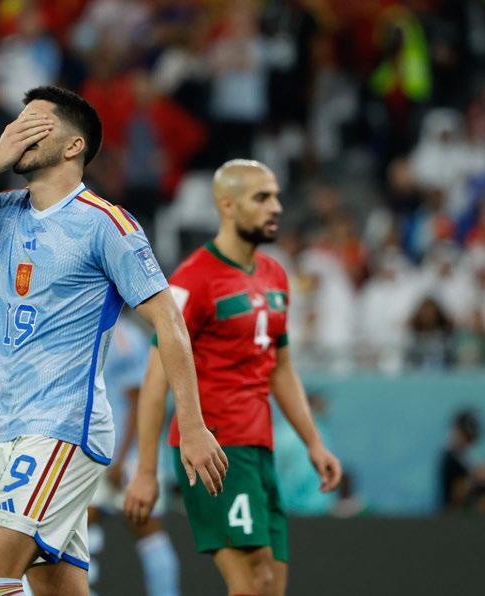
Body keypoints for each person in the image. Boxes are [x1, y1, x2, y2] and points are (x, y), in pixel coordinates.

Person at [0, 85, 227, 596]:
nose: (20, 132)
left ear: (74, 146)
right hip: (13, 428)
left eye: (36, 124)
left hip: (62, 427)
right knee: (58, 590)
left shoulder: (105, 224)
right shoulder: (8, 212)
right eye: (18, 123)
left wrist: (191, 424)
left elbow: (170, 321)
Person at [125, 159, 342, 596]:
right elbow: (155, 380)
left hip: (260, 449)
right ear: (227, 205)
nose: (276, 207)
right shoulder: (192, 280)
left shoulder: (275, 275)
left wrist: (313, 441)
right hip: (217, 451)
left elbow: (281, 368)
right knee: (252, 580)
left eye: (276, 196)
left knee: (271, 585)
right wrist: (146, 471)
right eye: (262, 198)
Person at [88, 314, 180, 596]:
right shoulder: (95, 326)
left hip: (121, 456)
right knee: (79, 526)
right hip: (101, 451)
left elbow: (138, 400)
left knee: (145, 527)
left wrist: (120, 458)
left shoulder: (123, 337)